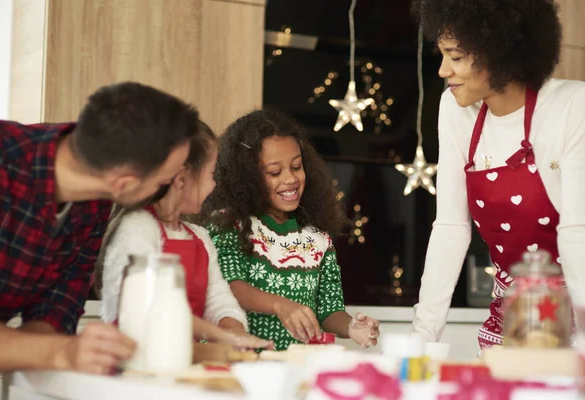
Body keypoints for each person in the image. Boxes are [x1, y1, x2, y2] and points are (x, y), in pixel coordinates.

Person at [0, 81, 200, 376]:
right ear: (124, 182)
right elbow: (53, 347)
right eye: (163, 182)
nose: (167, 188)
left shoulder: (94, 202)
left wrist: (58, 350)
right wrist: (63, 352)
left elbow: (57, 309)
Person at [411, 0, 585, 349]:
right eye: (442, 55)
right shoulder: (455, 109)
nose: (444, 70)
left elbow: (576, 231)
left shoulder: (572, 105)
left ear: (500, 52)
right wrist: (421, 339)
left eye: (456, 57)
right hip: (513, 310)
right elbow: (450, 227)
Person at [203, 109, 380, 351]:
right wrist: (281, 305)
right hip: (241, 364)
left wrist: (351, 327)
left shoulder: (318, 240)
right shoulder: (229, 225)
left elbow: (329, 309)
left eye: (296, 167)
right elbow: (230, 287)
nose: (290, 179)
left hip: (292, 368)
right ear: (246, 177)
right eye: (275, 172)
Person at [98, 121, 272, 349]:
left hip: (179, 361)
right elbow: (150, 308)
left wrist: (234, 330)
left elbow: (218, 300)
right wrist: (223, 338)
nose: (214, 185)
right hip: (133, 365)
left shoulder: (200, 237)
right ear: (181, 179)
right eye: (211, 174)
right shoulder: (138, 228)